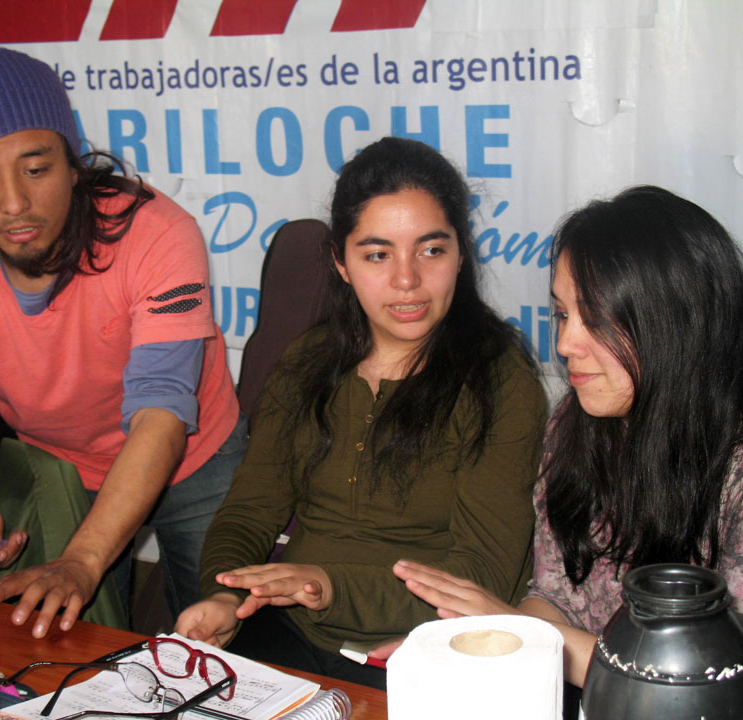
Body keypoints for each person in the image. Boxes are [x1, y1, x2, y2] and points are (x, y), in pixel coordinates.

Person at [0, 47, 244, 637]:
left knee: (218, 639)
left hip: (197, 454)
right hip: (64, 469)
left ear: (73, 163)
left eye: (36, 169)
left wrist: (84, 560)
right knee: (72, 644)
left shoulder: (157, 234)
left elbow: (162, 410)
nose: (14, 203)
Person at [388, 186, 743, 718]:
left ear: (677, 321)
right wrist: (485, 648)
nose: (565, 344)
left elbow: (715, 685)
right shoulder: (577, 420)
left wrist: (523, 633)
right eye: (563, 314)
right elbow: (556, 597)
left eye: (598, 319)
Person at [174, 137, 548, 688]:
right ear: (341, 263)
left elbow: (480, 574)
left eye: (431, 250)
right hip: (291, 627)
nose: (406, 280)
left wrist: (327, 586)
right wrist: (225, 593)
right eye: (377, 254)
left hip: (424, 646)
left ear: (461, 254)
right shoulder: (307, 361)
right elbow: (251, 509)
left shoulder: (500, 382)